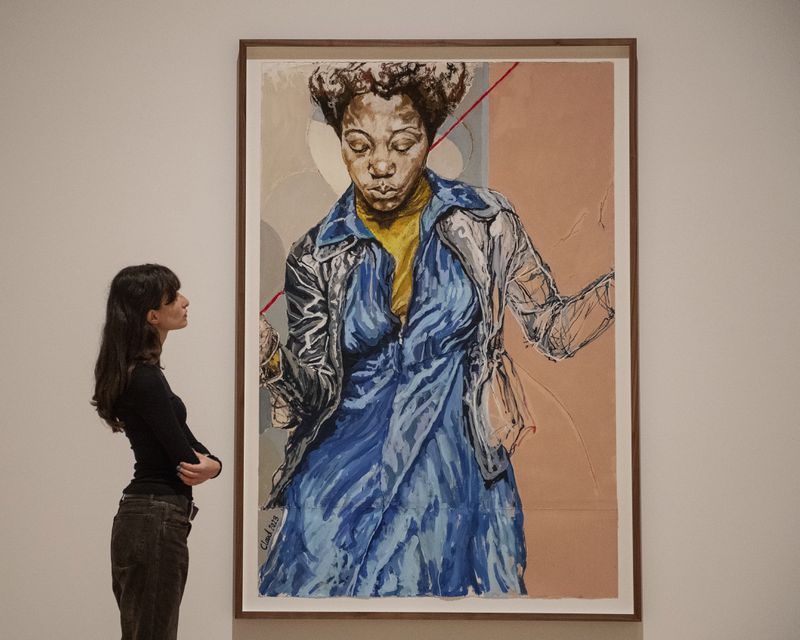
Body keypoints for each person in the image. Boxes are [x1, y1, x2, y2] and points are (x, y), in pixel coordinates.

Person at [258, 62, 614, 598]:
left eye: (402, 144)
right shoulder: (315, 254)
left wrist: (625, 285)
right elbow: (314, 394)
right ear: (339, 144)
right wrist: (270, 361)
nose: (380, 165)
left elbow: (554, 330)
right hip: (339, 492)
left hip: (457, 481)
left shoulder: (487, 220)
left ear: (430, 137)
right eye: (359, 146)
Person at [93, 264, 221, 639]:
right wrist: (212, 466)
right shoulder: (145, 378)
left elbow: (190, 447)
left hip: (149, 519)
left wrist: (214, 464)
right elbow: (184, 457)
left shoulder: (144, 374)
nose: (185, 302)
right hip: (156, 519)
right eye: (174, 297)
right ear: (153, 315)